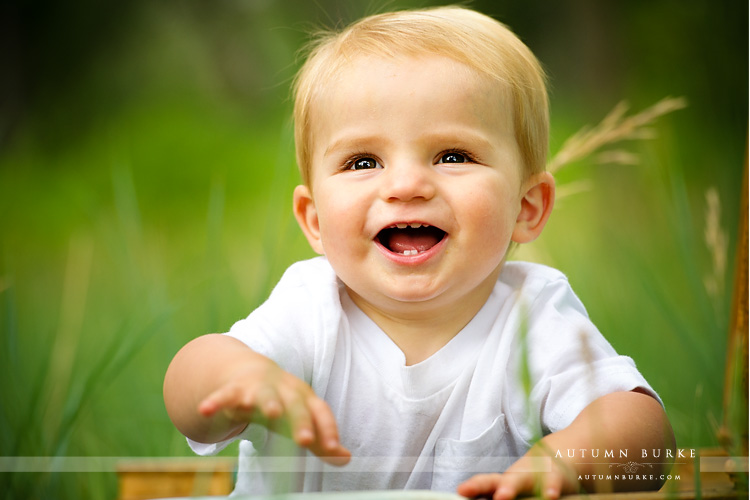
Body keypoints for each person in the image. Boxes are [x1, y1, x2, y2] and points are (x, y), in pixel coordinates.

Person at [163, 6, 675, 499]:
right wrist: (241, 380)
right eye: (363, 161)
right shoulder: (312, 307)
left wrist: (563, 460)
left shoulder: (529, 314)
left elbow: (649, 442)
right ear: (315, 220)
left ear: (526, 206)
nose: (406, 185)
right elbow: (191, 383)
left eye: (453, 156)